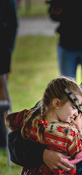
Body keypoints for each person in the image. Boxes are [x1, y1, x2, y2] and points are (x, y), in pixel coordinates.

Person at [0, 0, 18, 150]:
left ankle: (4, 136)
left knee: (2, 94)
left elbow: (13, 24)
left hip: (2, 53)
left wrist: (7, 50)